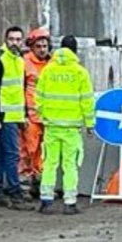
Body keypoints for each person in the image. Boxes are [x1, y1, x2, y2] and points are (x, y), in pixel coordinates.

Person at [36, 35, 95, 215]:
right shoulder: (80, 72)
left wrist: (43, 117)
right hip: (71, 129)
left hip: (52, 126)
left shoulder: (48, 70)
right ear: (75, 51)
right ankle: (70, 202)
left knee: (49, 164)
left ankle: (46, 200)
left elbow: (39, 97)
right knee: (70, 165)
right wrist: (90, 124)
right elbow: (87, 101)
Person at [0, 25, 27, 207]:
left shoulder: (19, 60)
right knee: (12, 155)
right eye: (11, 39)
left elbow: (19, 90)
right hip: (4, 116)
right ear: (5, 40)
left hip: (14, 116)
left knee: (1, 155)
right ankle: (15, 193)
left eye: (18, 39)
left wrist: (22, 115)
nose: (15, 43)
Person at [19, 28, 53, 197]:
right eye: (38, 46)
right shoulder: (25, 63)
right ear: (32, 47)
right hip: (30, 116)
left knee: (43, 151)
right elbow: (19, 89)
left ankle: (39, 183)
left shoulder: (52, 64)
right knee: (27, 150)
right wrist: (22, 113)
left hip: (46, 116)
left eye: (44, 46)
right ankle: (24, 184)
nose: (42, 49)